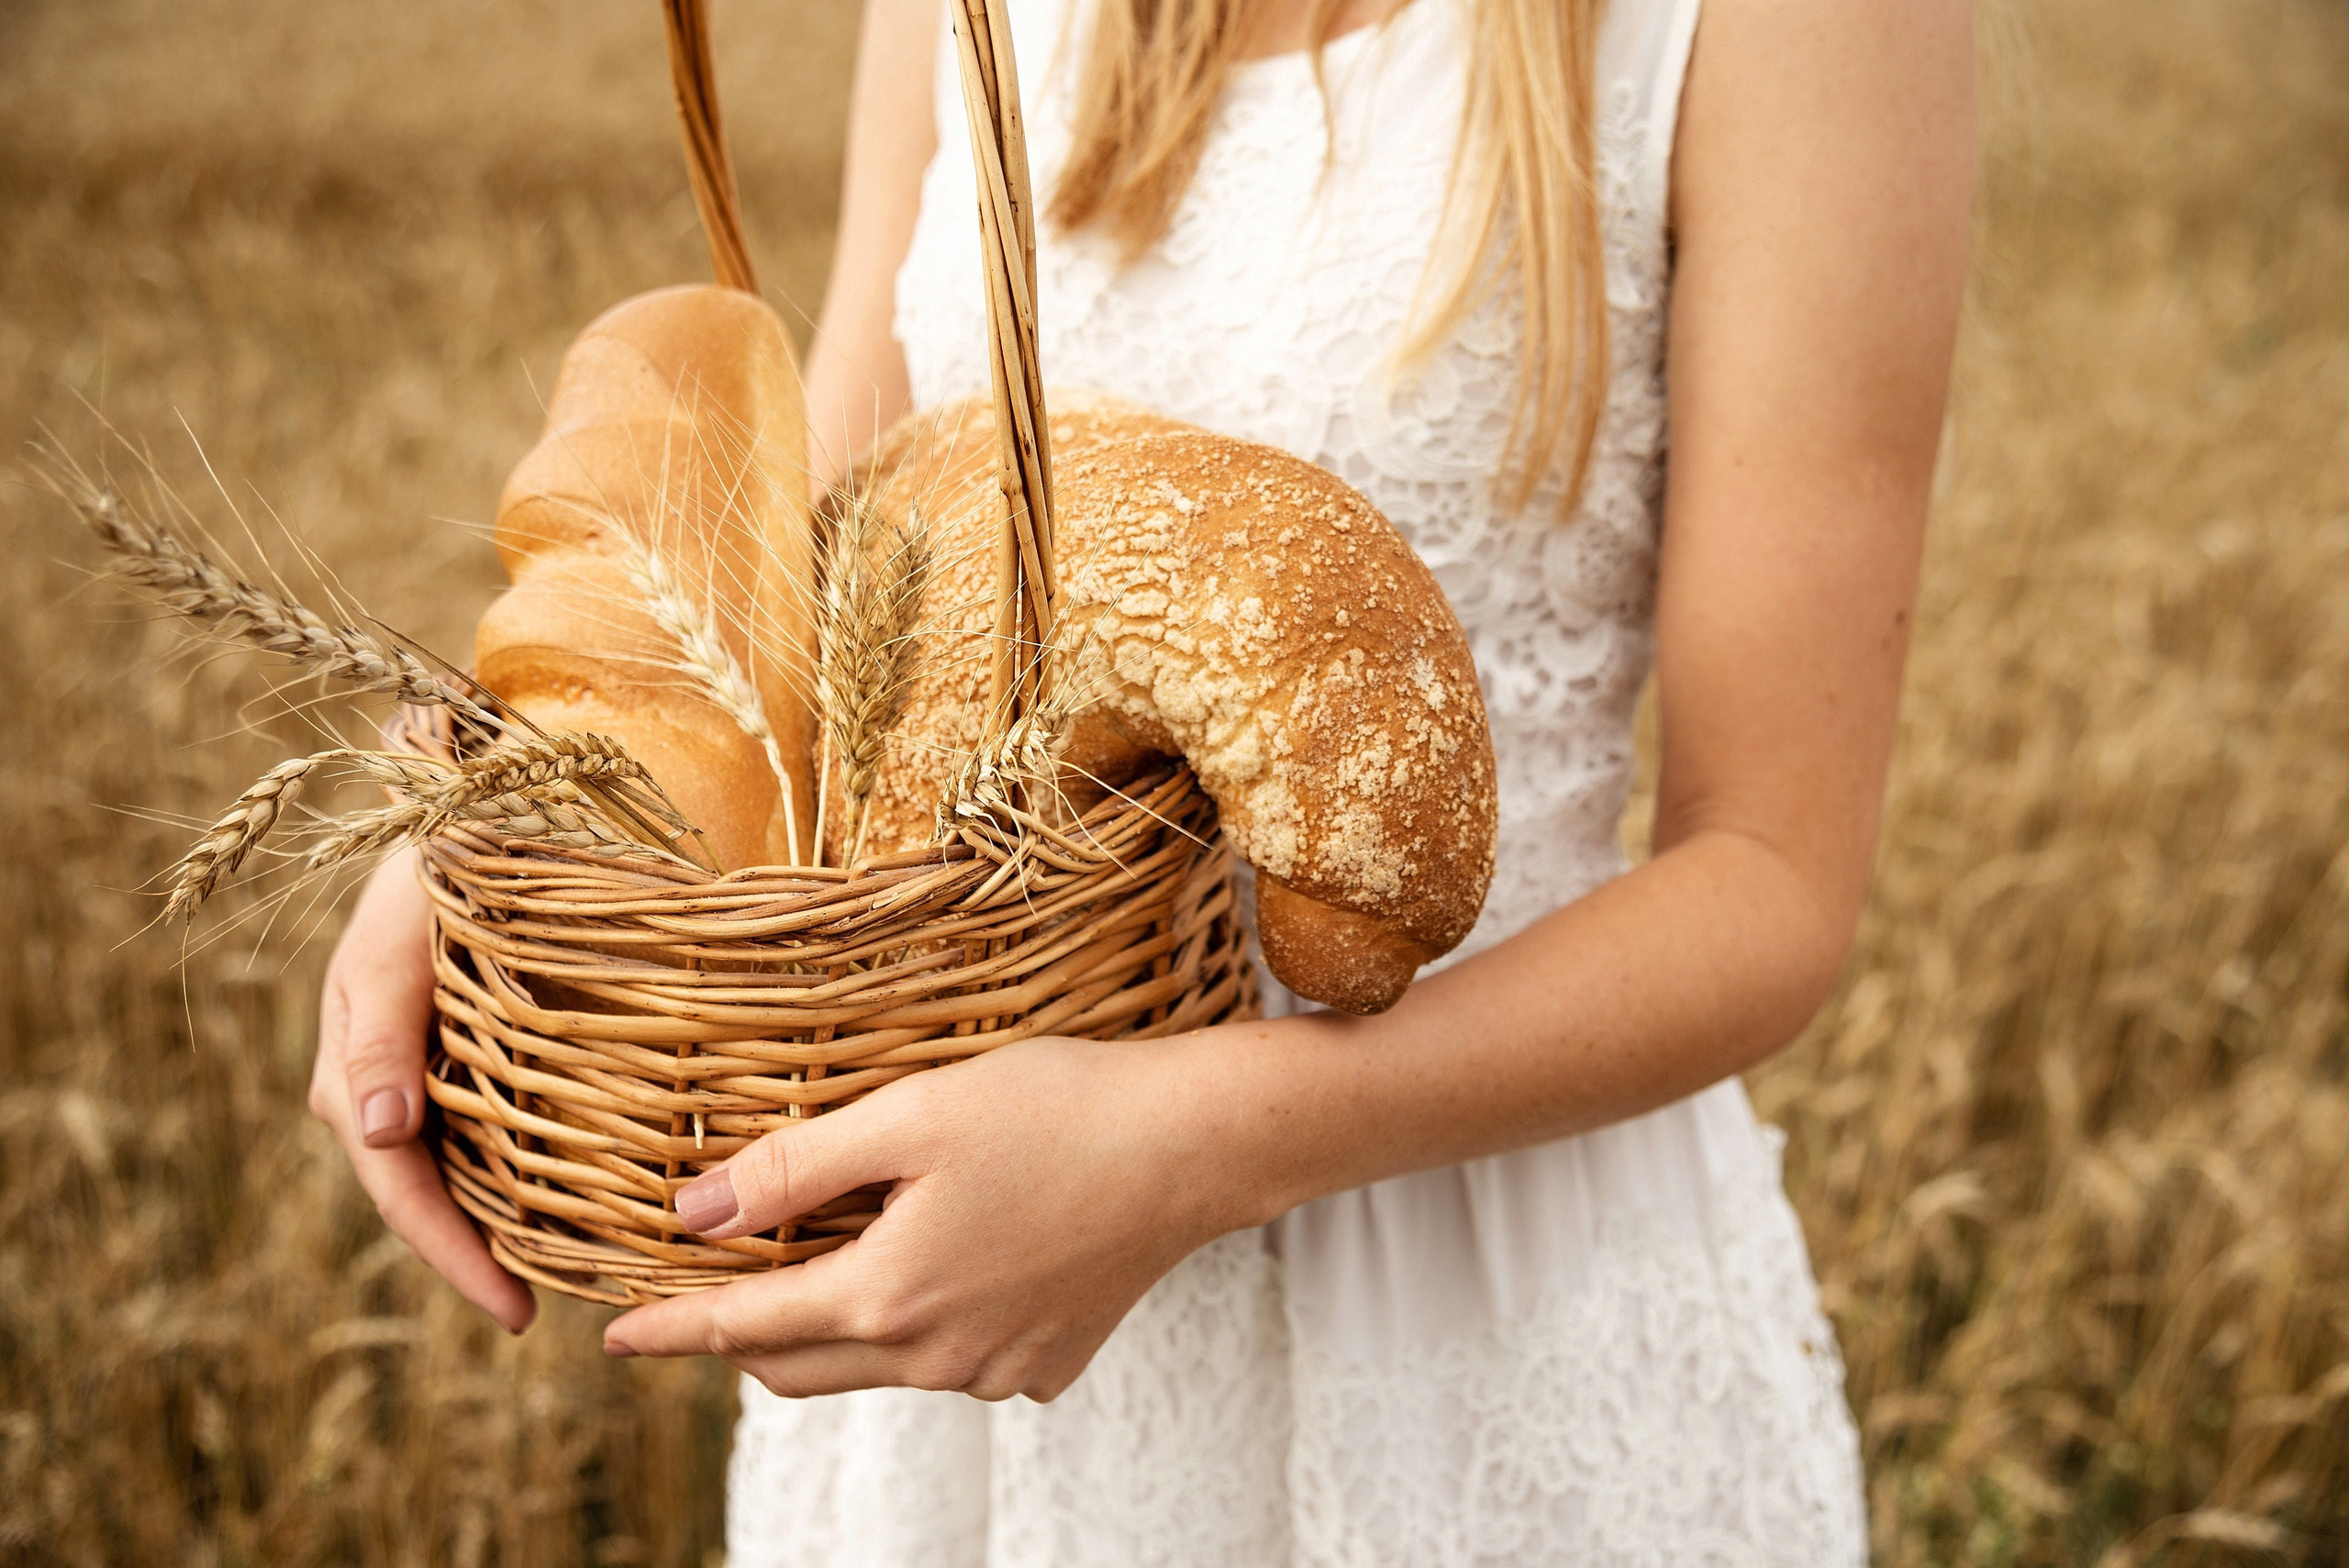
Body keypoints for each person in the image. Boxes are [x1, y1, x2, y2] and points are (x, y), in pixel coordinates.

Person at [309, 0, 1971, 1558]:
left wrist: (1193, 1144)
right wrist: (507, 839)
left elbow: (1771, 871)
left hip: (1477, 1288)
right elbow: (797, 604)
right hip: (949, 1320)